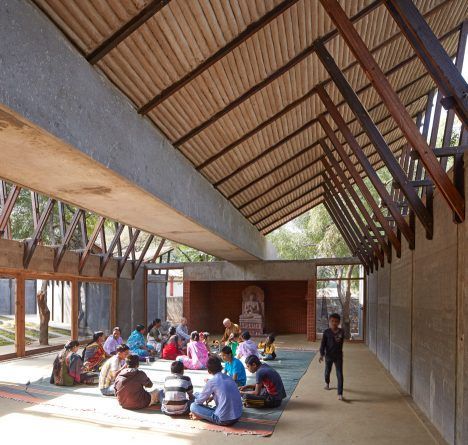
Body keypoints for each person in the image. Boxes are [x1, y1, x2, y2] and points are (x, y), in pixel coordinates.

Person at [190, 356, 243, 426]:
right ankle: (204, 415)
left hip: (224, 419)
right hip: (238, 415)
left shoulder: (212, 382)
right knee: (198, 394)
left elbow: (199, 401)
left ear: (209, 371)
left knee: (193, 406)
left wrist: (203, 398)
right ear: (221, 367)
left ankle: (202, 416)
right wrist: (211, 396)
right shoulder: (230, 378)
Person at [319, 313, 345, 400]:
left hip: (338, 356)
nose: (334, 323)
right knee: (327, 371)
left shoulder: (342, 332)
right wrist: (321, 354)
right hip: (328, 356)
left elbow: (340, 340)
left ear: (339, 322)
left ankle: (340, 393)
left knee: (339, 374)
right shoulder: (326, 332)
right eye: (332, 321)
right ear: (329, 322)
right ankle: (327, 383)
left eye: (336, 321)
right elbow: (323, 344)